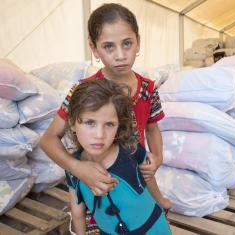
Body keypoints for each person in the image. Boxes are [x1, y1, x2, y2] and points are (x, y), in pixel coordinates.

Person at [40, 2, 171, 233]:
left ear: (138, 42)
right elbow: (48, 138)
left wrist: (157, 158)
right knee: (107, 224)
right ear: (93, 47)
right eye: (108, 46)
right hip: (95, 177)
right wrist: (78, 168)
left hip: (134, 175)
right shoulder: (83, 92)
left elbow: (152, 128)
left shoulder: (148, 88)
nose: (120, 55)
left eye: (127, 44)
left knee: (144, 221)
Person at [65, 79, 171, 235]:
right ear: (73, 123)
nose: (99, 135)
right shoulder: (73, 168)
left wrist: (161, 201)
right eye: (89, 123)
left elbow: (149, 178)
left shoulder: (131, 149)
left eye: (109, 124)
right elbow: (77, 212)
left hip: (154, 228)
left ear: (118, 125)